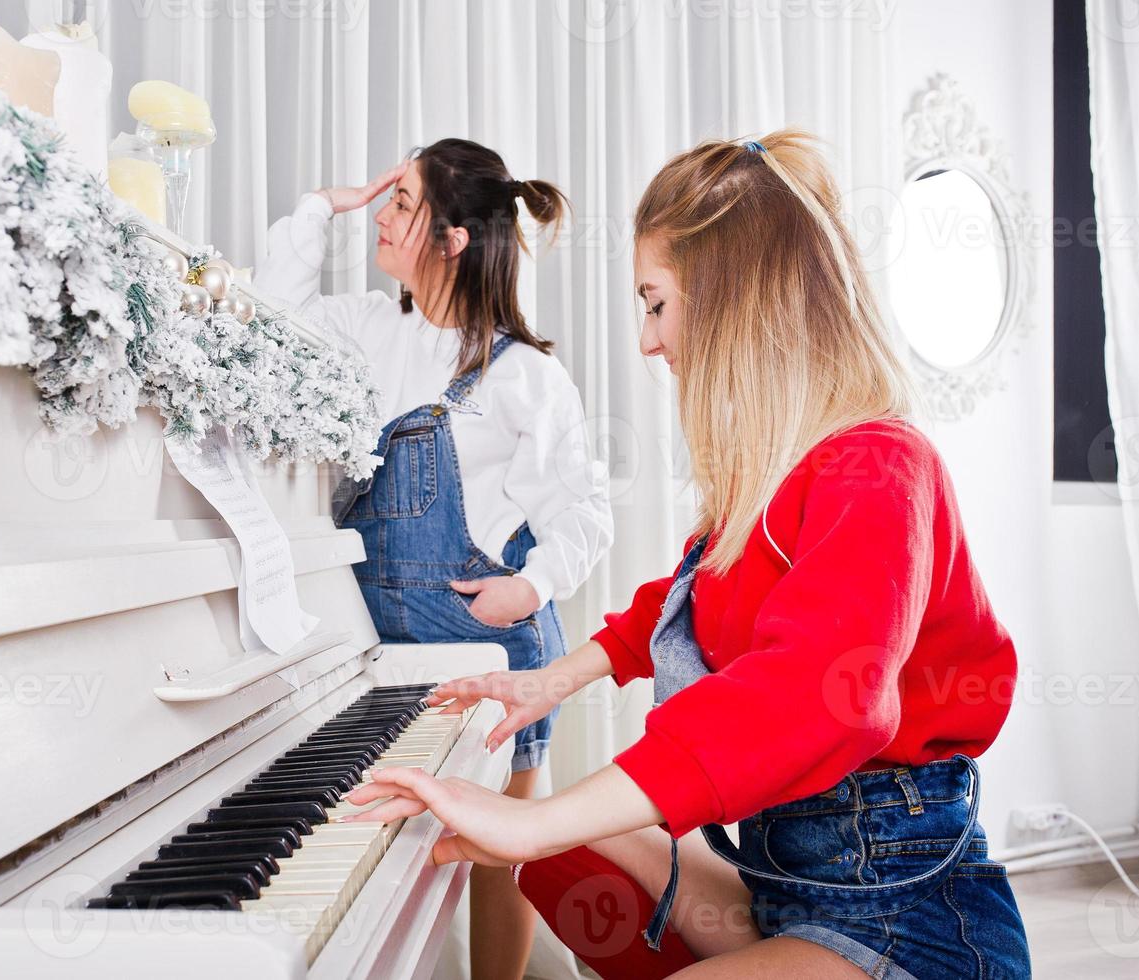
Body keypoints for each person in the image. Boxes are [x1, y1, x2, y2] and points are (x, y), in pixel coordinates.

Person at [341, 131, 1032, 979]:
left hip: (903, 912)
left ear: (736, 300)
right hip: (791, 881)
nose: (646, 340)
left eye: (655, 303)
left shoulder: (881, 465)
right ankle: (758, 941)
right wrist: (547, 682)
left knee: (548, 830)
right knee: (566, 848)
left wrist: (524, 817)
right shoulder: (776, 479)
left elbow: (812, 699)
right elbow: (682, 598)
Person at [254, 138, 614, 980]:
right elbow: (270, 316)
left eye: (404, 203)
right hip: (380, 654)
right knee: (386, 862)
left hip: (490, 655)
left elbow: (585, 511)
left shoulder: (524, 376)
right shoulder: (365, 329)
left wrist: (527, 589)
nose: (382, 213)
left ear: (453, 240)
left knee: (495, 861)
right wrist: (319, 209)